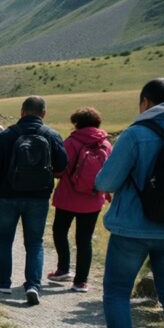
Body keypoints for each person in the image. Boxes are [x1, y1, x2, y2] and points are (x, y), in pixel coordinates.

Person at [85, 78, 164, 328]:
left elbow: (106, 182)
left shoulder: (137, 133)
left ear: (146, 102)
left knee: (117, 291)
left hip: (131, 228)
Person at [0, 96, 68, 305]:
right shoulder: (51, 134)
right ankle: (33, 285)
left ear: (21, 111)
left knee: (4, 240)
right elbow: (63, 164)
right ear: (43, 114)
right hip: (39, 196)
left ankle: (3, 282)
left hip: (9, 195)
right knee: (35, 242)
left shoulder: (6, 135)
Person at [47, 107, 112, 292]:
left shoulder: (71, 142)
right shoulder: (106, 144)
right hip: (93, 199)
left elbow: (60, 169)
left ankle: (63, 269)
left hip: (68, 197)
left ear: (77, 123)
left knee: (59, 231)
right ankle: (81, 281)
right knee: (85, 240)